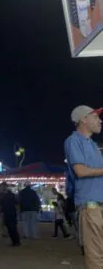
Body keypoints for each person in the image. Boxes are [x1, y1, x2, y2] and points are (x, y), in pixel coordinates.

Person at [64, 105, 103, 268]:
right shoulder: (73, 141)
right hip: (90, 206)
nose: (100, 120)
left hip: (98, 204)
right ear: (83, 120)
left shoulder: (93, 145)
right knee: (96, 256)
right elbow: (80, 171)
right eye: (95, 117)